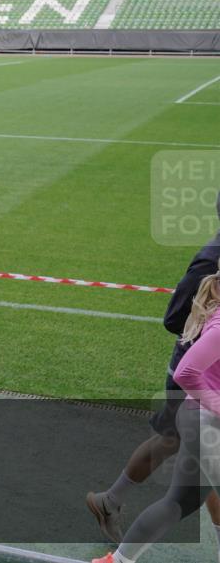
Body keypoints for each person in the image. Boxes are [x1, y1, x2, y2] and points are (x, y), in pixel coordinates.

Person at [87, 194, 220, 542]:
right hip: (197, 372)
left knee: (174, 443)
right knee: (199, 455)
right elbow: (174, 317)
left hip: (201, 370)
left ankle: (110, 500)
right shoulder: (210, 261)